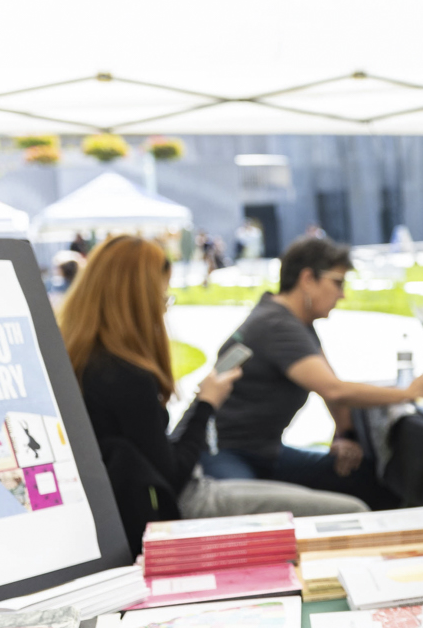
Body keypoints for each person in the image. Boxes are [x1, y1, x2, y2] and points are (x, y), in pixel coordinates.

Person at [60, 235, 365, 557]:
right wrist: (207, 403)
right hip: (189, 499)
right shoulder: (125, 374)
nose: (163, 310)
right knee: (353, 512)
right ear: (138, 299)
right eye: (162, 297)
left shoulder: (79, 362)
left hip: (167, 496)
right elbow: (172, 475)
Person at [202, 235, 423, 506]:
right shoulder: (277, 325)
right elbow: (334, 389)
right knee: (251, 523)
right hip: (225, 453)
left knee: (367, 477)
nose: (342, 294)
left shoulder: (294, 321)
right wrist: (407, 392)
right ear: (307, 279)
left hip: (265, 452)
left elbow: (329, 387)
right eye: (338, 283)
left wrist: (346, 436)